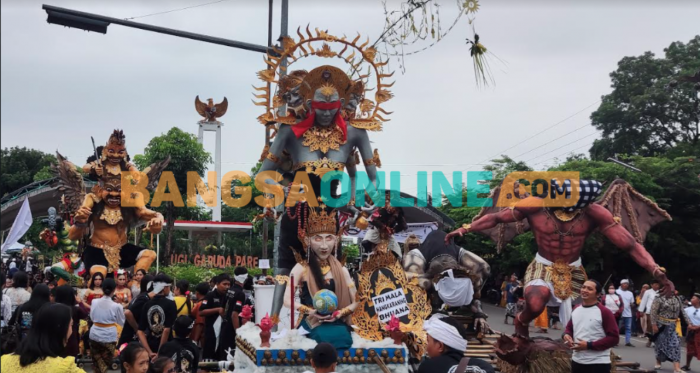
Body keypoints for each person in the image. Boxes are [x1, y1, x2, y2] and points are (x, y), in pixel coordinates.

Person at [0, 303, 86, 373]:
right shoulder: (65, 367)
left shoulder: (4, 361)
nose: (72, 330)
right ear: (61, 330)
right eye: (71, 325)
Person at [563, 280, 619, 373]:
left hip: (598, 364)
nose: (584, 290)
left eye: (589, 289)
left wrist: (589, 345)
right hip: (577, 361)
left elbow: (614, 338)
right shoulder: (576, 309)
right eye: (583, 287)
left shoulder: (605, 312)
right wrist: (566, 335)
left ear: (598, 294)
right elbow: (569, 328)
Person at [418, 314, 495, 373]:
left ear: (440, 346)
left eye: (428, 341)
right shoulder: (485, 367)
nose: (426, 346)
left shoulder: (428, 367)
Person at [89, 278, 125, 373]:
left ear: (102, 288)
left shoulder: (94, 302)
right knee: (104, 364)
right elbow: (121, 322)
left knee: (97, 364)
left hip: (94, 334)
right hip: (109, 336)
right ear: (114, 289)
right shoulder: (117, 306)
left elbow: (92, 318)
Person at [651, 288, 690, 372]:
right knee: (660, 345)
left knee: (675, 345)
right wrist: (653, 324)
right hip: (661, 325)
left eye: (674, 290)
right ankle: (658, 362)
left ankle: (677, 368)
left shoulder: (677, 298)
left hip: (673, 326)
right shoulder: (659, 298)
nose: (673, 291)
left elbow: (682, 312)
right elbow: (653, 312)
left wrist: (689, 323)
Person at [138, 274, 176, 358]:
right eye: (169, 287)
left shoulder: (146, 304)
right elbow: (166, 330)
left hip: (150, 345)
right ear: (164, 288)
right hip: (166, 348)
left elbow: (140, 331)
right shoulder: (171, 304)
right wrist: (159, 353)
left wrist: (149, 352)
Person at [199, 273, 232, 360]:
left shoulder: (229, 296)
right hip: (211, 334)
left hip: (224, 334)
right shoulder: (210, 295)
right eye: (224, 284)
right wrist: (217, 310)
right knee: (208, 361)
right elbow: (201, 312)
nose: (227, 287)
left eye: (228, 284)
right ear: (217, 284)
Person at [54, 285, 89, 358]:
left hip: (55, 340)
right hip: (72, 339)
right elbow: (85, 314)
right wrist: (80, 302)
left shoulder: (53, 308)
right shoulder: (74, 309)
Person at [119, 274, 154, 346]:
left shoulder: (142, 296)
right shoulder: (144, 298)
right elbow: (128, 313)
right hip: (131, 336)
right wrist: (138, 330)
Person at [682, 293, 700, 372]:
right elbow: (682, 317)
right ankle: (687, 365)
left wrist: (698, 327)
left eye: (693, 298)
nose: (691, 300)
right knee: (690, 349)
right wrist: (689, 325)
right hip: (690, 331)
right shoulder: (687, 309)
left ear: (698, 300)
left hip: (699, 331)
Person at [640, 280, 660, 347]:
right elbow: (644, 301)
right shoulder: (647, 292)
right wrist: (641, 310)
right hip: (649, 311)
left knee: (657, 327)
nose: (657, 286)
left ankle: (654, 341)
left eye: (658, 284)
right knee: (650, 326)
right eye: (655, 284)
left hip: (658, 312)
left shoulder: (660, 292)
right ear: (652, 285)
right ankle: (650, 339)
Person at [616, 279, 635, 347]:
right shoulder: (616, 292)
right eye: (624, 283)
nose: (626, 285)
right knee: (617, 328)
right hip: (619, 313)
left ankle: (628, 342)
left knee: (628, 328)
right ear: (621, 284)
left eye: (627, 284)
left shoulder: (630, 293)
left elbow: (632, 303)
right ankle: (616, 341)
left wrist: (632, 305)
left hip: (628, 313)